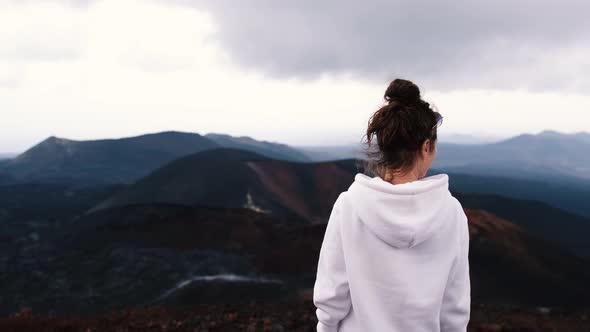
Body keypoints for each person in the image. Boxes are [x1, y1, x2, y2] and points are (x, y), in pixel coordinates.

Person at [313, 78, 471, 332]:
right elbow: (454, 309)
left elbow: (332, 298)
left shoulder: (349, 206)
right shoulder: (452, 213)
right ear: (426, 146)